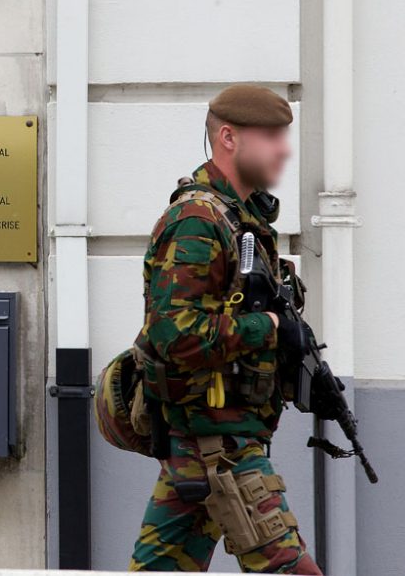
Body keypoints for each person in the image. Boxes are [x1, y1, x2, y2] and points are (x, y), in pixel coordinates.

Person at [127, 84, 321, 574]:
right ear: (229, 138)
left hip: (215, 444)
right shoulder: (197, 220)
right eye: (272, 135)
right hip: (218, 449)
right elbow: (173, 335)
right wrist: (271, 326)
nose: (284, 148)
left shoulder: (243, 222)